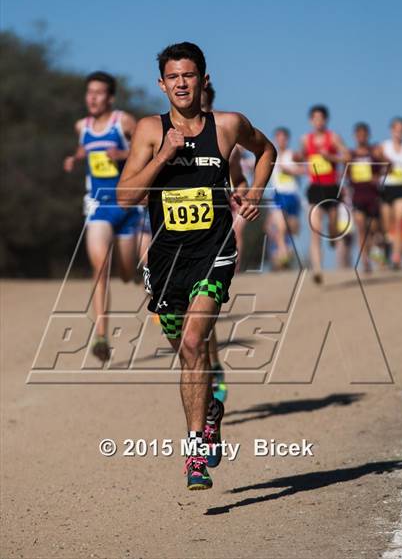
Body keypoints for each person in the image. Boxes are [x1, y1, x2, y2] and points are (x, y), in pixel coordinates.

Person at [117, 42, 276, 490]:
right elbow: (127, 197)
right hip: (167, 260)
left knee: (193, 342)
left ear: (202, 80)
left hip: (214, 250)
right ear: (161, 84)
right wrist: (164, 155)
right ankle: (209, 411)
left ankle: (193, 454)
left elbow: (267, 151)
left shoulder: (227, 127)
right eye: (173, 77)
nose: (181, 83)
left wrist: (256, 192)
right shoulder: (150, 130)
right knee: (185, 351)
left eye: (189, 75)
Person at [64, 71, 139, 361]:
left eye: (99, 93)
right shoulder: (81, 126)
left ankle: (135, 275)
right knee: (100, 268)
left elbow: (145, 149)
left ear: (110, 97)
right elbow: (85, 148)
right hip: (97, 206)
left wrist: (122, 155)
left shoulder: (124, 122)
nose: (92, 98)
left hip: (127, 207)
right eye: (89, 92)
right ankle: (101, 336)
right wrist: (75, 158)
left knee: (125, 272)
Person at [200, 82, 249, 403]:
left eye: (202, 108)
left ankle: (212, 371)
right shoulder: (165, 135)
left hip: (211, 238)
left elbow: (241, 180)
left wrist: (243, 194)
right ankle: (212, 365)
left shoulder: (225, 139)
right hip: (172, 241)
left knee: (200, 319)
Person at [294, 105, 349, 284]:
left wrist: (331, 158)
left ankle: (333, 237)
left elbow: (347, 157)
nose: (318, 121)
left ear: (326, 120)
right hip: (315, 188)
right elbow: (301, 156)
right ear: (311, 120)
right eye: (315, 118)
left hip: (332, 187)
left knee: (332, 227)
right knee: (315, 229)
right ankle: (317, 269)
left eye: (321, 118)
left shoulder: (333, 138)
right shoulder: (305, 139)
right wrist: (298, 158)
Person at [376, 117, 402, 269]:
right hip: (386, 187)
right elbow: (376, 162)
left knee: (399, 222)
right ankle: (386, 249)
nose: (399, 133)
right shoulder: (383, 147)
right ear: (391, 130)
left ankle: (396, 258)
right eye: (396, 129)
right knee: (387, 226)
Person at [346, 123, 382, 272]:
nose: (361, 137)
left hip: (373, 196)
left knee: (373, 228)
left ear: (368, 135)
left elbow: (387, 167)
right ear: (355, 136)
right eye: (358, 134)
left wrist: (377, 177)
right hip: (358, 196)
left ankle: (375, 252)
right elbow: (346, 174)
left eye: (364, 134)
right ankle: (365, 260)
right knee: (360, 227)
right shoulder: (351, 154)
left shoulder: (375, 153)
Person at [268, 127, 304, 269]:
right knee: (281, 227)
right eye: (278, 137)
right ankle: (283, 254)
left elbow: (303, 170)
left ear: (287, 139)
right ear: (276, 139)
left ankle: (286, 252)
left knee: (293, 229)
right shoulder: (270, 155)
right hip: (277, 195)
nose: (281, 140)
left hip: (292, 195)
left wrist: (290, 170)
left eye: (283, 137)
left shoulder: (293, 155)